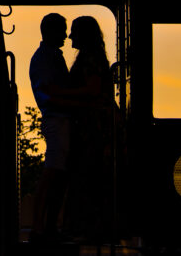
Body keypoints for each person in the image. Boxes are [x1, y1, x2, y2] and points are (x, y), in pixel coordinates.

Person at [62, 15, 116, 243]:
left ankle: (90, 229)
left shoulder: (90, 59)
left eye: (74, 31)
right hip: (95, 125)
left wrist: (59, 93)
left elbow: (92, 90)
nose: (70, 36)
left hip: (96, 127)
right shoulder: (92, 57)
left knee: (89, 174)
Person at [28, 12, 72, 242]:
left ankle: (46, 226)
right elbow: (49, 93)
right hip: (56, 119)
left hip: (57, 119)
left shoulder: (48, 56)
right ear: (52, 31)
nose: (66, 35)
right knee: (52, 173)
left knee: (56, 174)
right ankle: (40, 226)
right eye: (62, 30)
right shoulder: (47, 57)